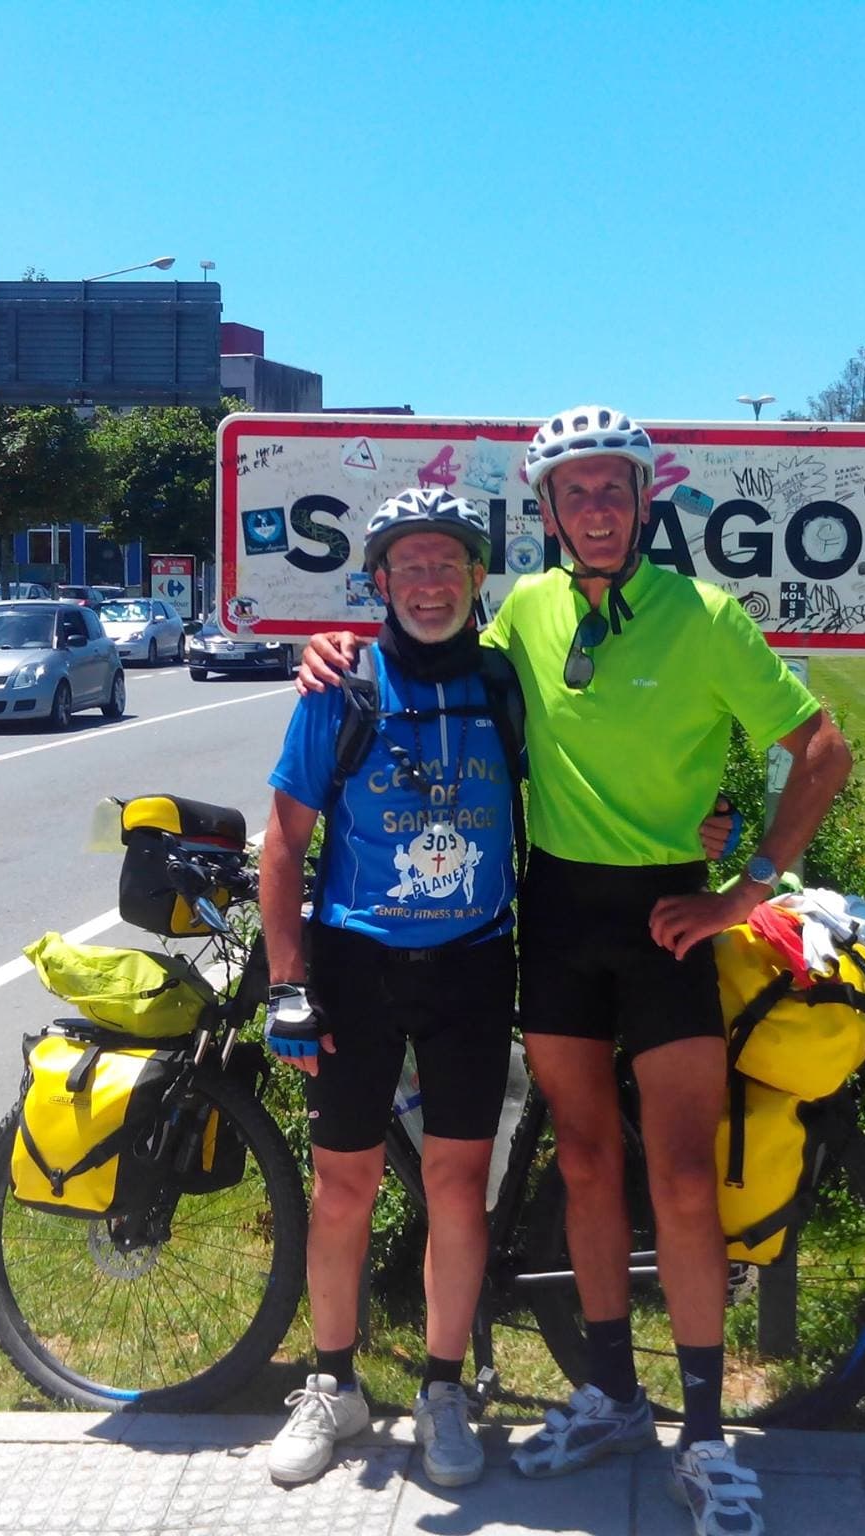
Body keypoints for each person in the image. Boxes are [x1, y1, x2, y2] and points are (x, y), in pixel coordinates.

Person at [301, 405, 853, 1536]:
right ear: (544, 512)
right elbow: (423, 654)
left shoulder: (704, 619)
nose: (595, 511)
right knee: (590, 1162)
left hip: (666, 923)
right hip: (552, 916)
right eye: (573, 494)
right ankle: (610, 1393)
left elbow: (823, 750)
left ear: (643, 502)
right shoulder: (522, 620)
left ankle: (702, 1438)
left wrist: (743, 886)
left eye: (613, 491)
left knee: (684, 1179)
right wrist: (324, 648)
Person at [258, 486, 522, 1490]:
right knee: (343, 1189)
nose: (426, 583)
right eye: (406, 567)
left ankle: (443, 1389)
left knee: (457, 1187)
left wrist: (713, 824)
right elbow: (283, 844)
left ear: (473, 579)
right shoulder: (339, 687)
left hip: (470, 962)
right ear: (376, 582)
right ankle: (333, 1385)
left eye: (444, 566)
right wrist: (290, 985)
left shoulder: (507, 685)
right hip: (356, 966)